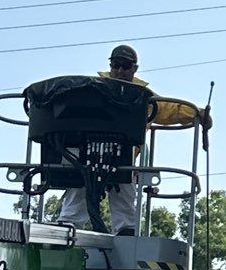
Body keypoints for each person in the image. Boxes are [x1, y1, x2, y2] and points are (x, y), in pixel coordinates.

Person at [56, 44, 211, 233]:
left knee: (125, 183)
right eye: (116, 65)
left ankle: (126, 229)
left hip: (123, 158)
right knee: (81, 181)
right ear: (110, 66)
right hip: (88, 153)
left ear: (134, 68)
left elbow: (170, 109)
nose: (120, 70)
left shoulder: (143, 97)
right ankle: (68, 224)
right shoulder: (94, 89)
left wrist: (198, 114)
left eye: (126, 66)